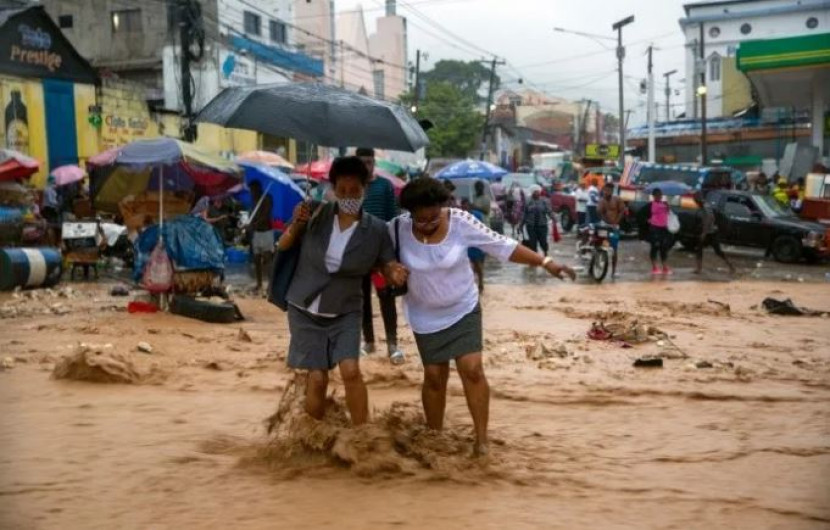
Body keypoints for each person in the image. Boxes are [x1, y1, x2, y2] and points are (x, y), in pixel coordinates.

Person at [393, 178, 575, 456]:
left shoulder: (461, 221)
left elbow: (503, 246)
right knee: (433, 376)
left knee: (473, 369)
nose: (428, 224)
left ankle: (481, 442)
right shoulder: (397, 229)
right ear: (410, 213)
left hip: (462, 308)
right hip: (424, 314)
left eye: (434, 217)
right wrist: (388, 268)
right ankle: (434, 438)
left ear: (442, 207)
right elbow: (373, 253)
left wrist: (545, 262)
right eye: (421, 220)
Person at [277, 156, 407, 425]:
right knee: (317, 376)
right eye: (342, 191)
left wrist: (394, 272)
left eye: (355, 191)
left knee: (350, 370)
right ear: (333, 189)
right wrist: (297, 224)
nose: (348, 196)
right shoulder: (313, 212)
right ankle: (313, 436)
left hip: (346, 309)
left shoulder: (377, 230)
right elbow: (283, 245)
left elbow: (387, 263)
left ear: (365, 190)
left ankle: (363, 438)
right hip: (304, 307)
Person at [355, 147, 404, 364]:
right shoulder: (352, 189)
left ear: (374, 163)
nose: (366, 166)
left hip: (382, 254)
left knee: (387, 297)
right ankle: (369, 342)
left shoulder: (384, 186)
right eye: (362, 162)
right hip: (357, 253)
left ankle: (392, 344)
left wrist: (393, 255)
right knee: (362, 299)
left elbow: (393, 219)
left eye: (369, 162)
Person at [693, 191, 735, 275]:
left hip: (711, 232)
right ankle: (699, 268)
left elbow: (709, 218)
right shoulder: (704, 206)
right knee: (700, 249)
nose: (695, 201)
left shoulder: (705, 206)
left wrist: (704, 232)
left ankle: (731, 266)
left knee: (717, 251)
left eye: (695, 199)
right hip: (710, 231)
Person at [637, 187, 672, 275]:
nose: (659, 197)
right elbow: (640, 214)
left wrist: (668, 207)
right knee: (655, 247)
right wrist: (647, 220)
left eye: (660, 195)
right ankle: (654, 267)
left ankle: (664, 266)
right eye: (657, 195)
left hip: (664, 228)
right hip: (654, 228)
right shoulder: (650, 205)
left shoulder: (665, 204)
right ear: (653, 196)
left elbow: (668, 214)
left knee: (664, 248)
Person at [248, 180, 274, 292]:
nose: (251, 193)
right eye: (251, 191)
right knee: (256, 259)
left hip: (266, 232)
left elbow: (265, 216)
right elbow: (252, 215)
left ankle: (271, 285)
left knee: (267, 259)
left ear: (257, 188)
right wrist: (249, 224)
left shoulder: (267, 198)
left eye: (253, 190)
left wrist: (252, 225)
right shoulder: (254, 200)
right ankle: (259, 284)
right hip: (257, 233)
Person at [597, 184, 625, 277]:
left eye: (609, 190)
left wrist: (616, 222)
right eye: (606, 190)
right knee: (600, 245)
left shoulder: (617, 200)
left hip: (614, 227)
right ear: (603, 190)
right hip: (604, 226)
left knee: (614, 249)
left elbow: (622, 211)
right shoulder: (601, 201)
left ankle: (613, 271)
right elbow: (599, 212)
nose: (607, 192)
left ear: (612, 191)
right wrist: (606, 221)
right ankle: (597, 265)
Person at [460, 198, 486, 292]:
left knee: (478, 264)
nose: (464, 208)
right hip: (466, 243)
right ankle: (469, 285)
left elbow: (483, 228)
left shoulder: (477, 215)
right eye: (462, 207)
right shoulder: (460, 216)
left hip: (477, 242)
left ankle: (481, 283)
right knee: (467, 265)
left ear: (469, 206)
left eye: (465, 206)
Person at [520, 185, 553, 256]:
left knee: (543, 241)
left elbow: (549, 211)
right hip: (531, 226)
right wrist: (521, 225)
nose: (537, 193)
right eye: (535, 192)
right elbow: (524, 214)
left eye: (538, 192)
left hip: (542, 225)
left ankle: (545, 254)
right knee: (532, 243)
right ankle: (534, 258)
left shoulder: (544, 201)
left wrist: (554, 219)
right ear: (532, 193)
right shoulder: (528, 201)